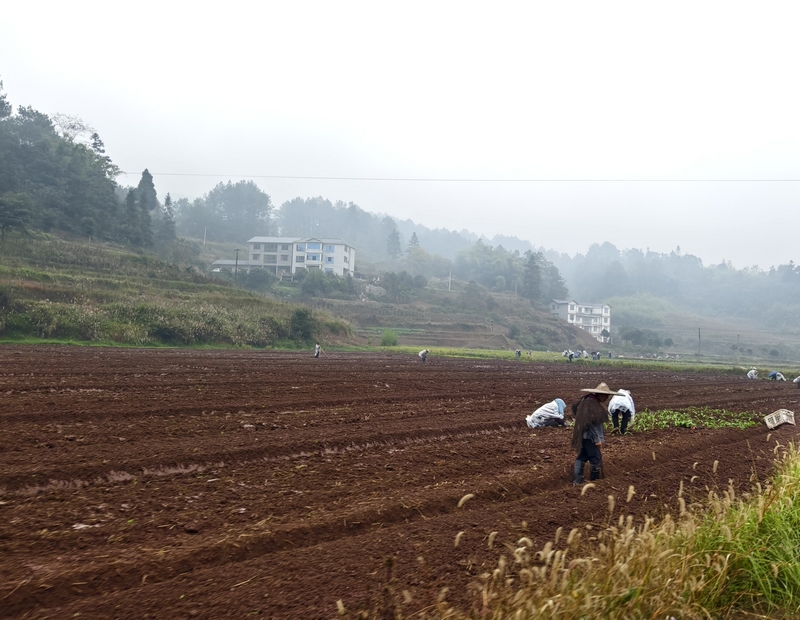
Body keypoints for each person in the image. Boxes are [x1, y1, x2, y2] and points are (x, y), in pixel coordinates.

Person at [571, 382, 621, 484]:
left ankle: (577, 481)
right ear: (599, 394)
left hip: (583, 436)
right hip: (589, 437)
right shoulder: (591, 404)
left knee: (583, 456)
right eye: (605, 395)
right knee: (595, 458)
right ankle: (595, 483)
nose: (606, 398)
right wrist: (597, 439)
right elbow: (591, 424)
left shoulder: (586, 401)